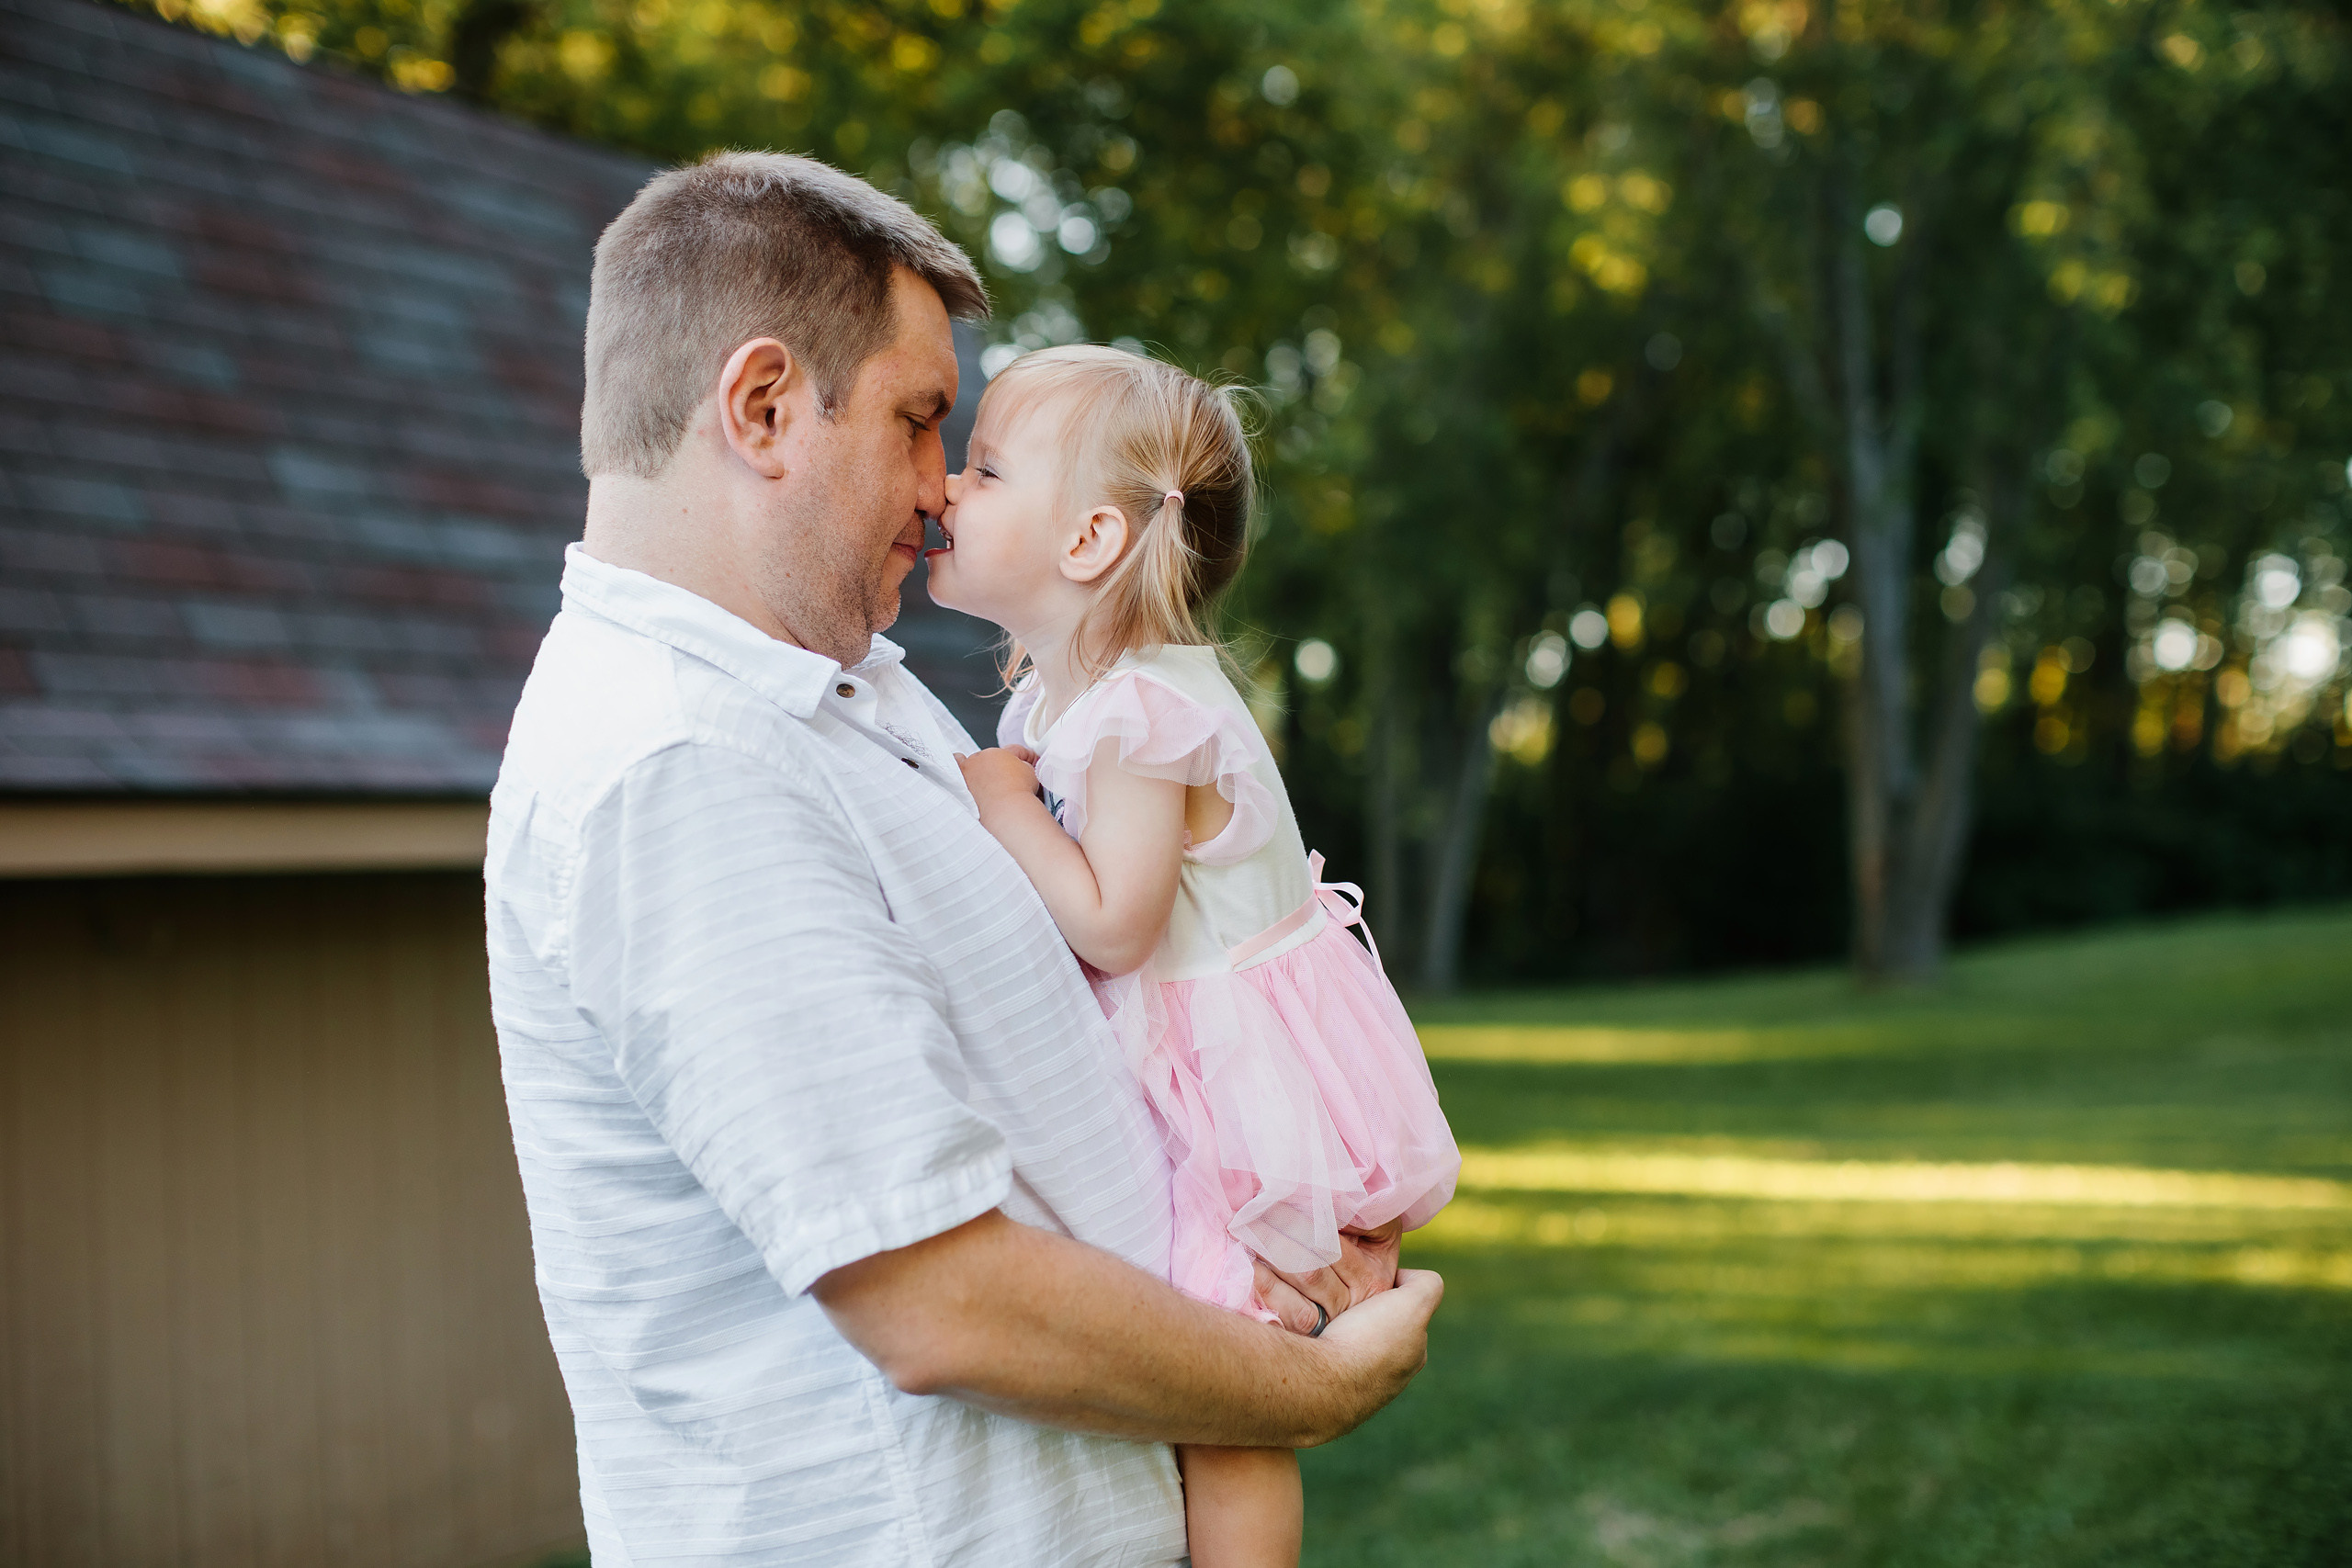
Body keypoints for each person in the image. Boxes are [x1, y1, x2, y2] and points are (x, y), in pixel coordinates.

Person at [484, 150, 1442, 1567]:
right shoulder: (678, 764)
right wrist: (1307, 1386)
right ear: (761, 409)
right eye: (922, 421)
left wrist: (1266, 1234)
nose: (941, 490)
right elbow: (938, 1302)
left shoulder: (842, 690)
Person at [933, 346, 1462, 1567]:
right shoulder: (1080, 700)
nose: (950, 489)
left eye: (987, 467)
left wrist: (1002, 808)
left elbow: (1118, 921)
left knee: (1231, 1395)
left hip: (1236, 1090)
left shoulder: (1143, 719)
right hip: (1213, 1055)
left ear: (1090, 542)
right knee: (1202, 1380)